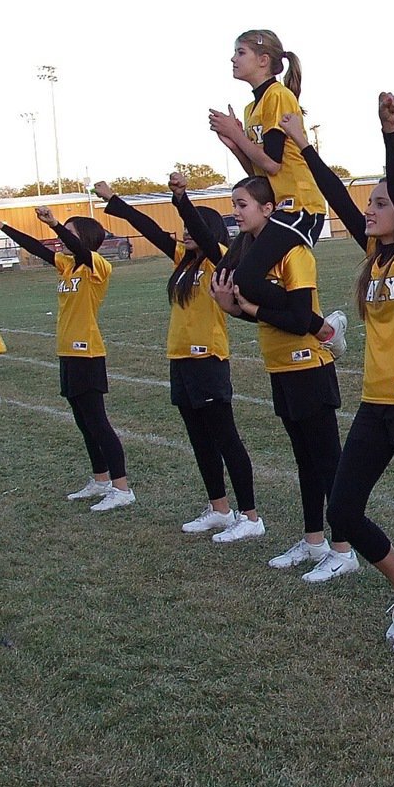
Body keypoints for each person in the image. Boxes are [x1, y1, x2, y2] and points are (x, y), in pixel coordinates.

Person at [280, 94, 394, 656]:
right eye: (370, 203)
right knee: (343, 508)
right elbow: (336, 199)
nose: (369, 210)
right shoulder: (378, 259)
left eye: (380, 203)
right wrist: (307, 148)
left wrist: (391, 134)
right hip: (376, 401)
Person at [94, 176, 263, 543]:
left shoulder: (221, 258)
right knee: (200, 440)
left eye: (192, 226)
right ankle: (219, 509)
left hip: (209, 361)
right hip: (181, 360)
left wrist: (181, 199)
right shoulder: (183, 262)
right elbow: (149, 228)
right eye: (184, 227)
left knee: (225, 439)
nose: (186, 232)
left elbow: (203, 234)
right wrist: (114, 200)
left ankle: (250, 516)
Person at [210, 176, 356, 582]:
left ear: (268, 209)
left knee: (328, 462)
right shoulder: (250, 256)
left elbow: (295, 319)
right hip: (280, 368)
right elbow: (255, 310)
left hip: (309, 366)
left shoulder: (294, 253)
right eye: (234, 204)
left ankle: (344, 550)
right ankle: (314, 542)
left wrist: (250, 309)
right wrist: (231, 308)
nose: (236, 212)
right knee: (304, 460)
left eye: (243, 204)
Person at [0, 207, 134, 512]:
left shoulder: (97, 266)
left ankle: (122, 487)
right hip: (67, 352)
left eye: (70, 232)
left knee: (97, 421)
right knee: (83, 421)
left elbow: (78, 248)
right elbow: (34, 247)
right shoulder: (67, 266)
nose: (62, 237)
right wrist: (0, 225)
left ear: (85, 239)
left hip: (87, 352)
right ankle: (101, 479)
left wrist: (55, 224)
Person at [208, 30, 342, 347]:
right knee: (222, 279)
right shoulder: (249, 109)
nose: (233, 58)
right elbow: (257, 173)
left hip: (300, 208)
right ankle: (313, 325)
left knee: (245, 279)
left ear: (264, 60)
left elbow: (273, 164)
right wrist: (233, 143)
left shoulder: (278, 96)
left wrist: (238, 137)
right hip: (278, 205)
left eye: (240, 52)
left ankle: (315, 326)